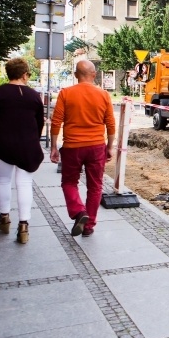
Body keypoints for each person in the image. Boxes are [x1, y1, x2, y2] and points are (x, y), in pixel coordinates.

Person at [49, 60, 116, 238]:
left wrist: (54, 146)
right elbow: (110, 124)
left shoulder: (66, 93)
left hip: (72, 147)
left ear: (76, 75)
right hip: (96, 147)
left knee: (69, 183)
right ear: (94, 75)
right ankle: (89, 226)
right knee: (95, 187)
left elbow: (56, 122)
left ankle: (79, 212)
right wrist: (109, 147)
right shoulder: (103, 95)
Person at [0, 58, 45, 244]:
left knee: (2, 180)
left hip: (2, 143)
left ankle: (4, 219)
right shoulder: (34, 95)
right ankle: (24, 226)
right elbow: (39, 123)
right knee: (24, 183)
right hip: (28, 145)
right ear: (25, 74)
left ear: (8, 73)